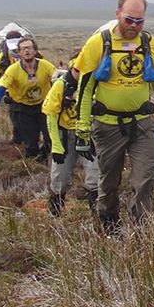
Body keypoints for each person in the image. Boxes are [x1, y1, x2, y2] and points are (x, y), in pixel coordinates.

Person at [68, 0, 154, 235]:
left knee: (146, 177)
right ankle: (110, 224)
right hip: (107, 126)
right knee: (109, 180)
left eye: (140, 21)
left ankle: (139, 228)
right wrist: (82, 129)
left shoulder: (151, 44)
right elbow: (85, 91)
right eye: (129, 19)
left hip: (142, 123)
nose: (134, 26)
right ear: (117, 14)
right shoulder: (98, 43)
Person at [43, 67, 99, 218]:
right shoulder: (61, 85)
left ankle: (97, 215)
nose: (81, 74)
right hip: (65, 136)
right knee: (60, 178)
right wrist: (56, 145)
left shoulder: (97, 83)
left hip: (89, 133)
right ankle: (54, 209)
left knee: (96, 175)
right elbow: (51, 115)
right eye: (77, 70)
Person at [0, 36, 53, 162]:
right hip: (22, 108)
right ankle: (33, 168)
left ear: (35, 51)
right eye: (23, 49)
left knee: (50, 138)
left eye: (30, 48)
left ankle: (45, 159)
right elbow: (2, 87)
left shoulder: (46, 66)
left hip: (43, 106)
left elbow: (58, 79)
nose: (27, 51)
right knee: (30, 142)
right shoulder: (13, 69)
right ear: (18, 52)